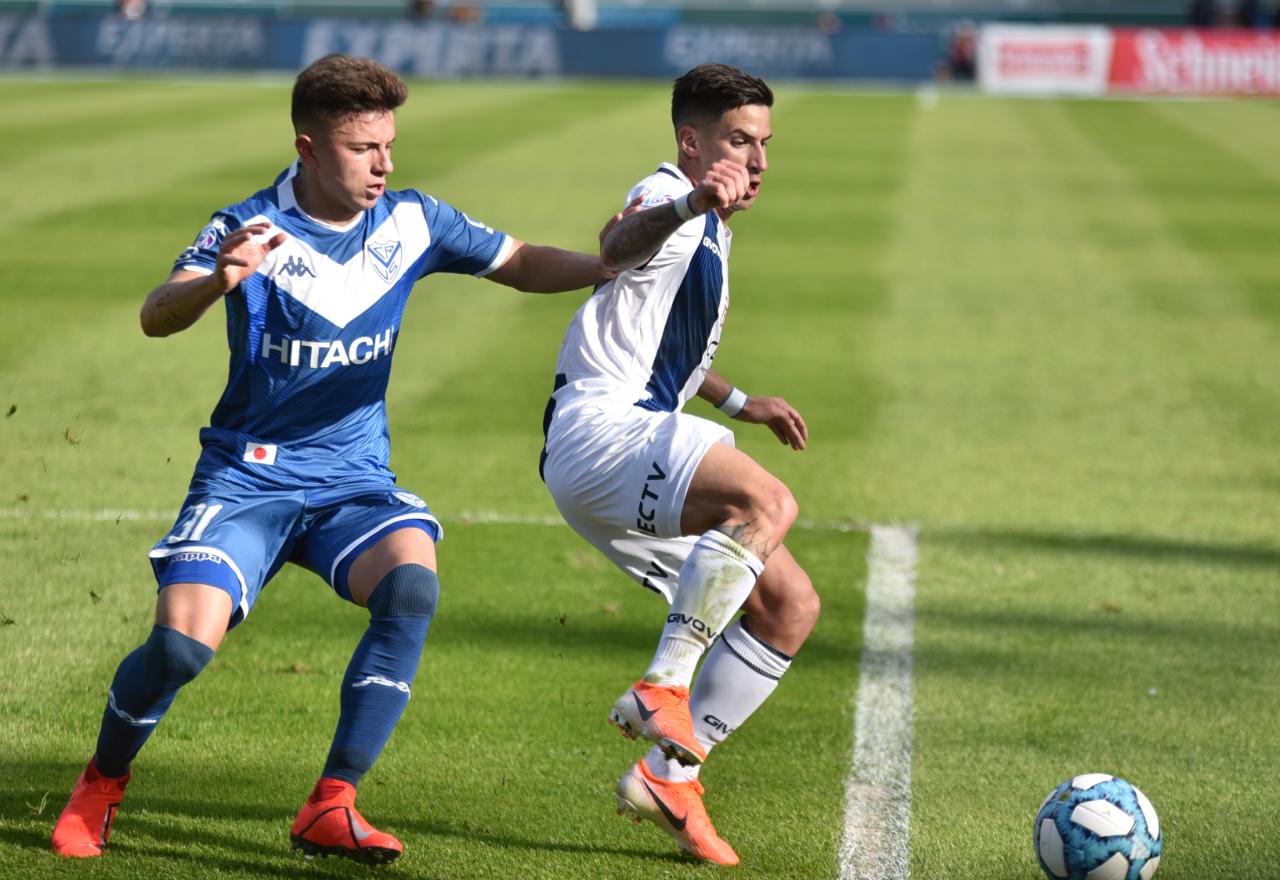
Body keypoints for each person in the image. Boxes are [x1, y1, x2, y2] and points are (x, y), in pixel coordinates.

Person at [50, 53, 614, 864]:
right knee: (178, 649)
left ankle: (332, 802)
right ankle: (101, 782)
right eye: (363, 149)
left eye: (389, 144)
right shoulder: (247, 225)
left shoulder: (413, 221)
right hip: (247, 477)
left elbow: (517, 261)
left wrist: (603, 267)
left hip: (352, 480)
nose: (385, 164)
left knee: (412, 585)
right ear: (309, 149)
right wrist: (218, 278)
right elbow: (155, 315)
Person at [539, 63, 820, 866]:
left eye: (765, 144)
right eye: (739, 141)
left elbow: (671, 351)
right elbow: (614, 248)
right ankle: (663, 686)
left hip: (619, 447)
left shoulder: (708, 228)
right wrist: (692, 200)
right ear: (692, 143)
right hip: (601, 434)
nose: (758, 161)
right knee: (767, 503)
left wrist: (741, 404)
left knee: (789, 606)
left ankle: (669, 774)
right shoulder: (670, 194)